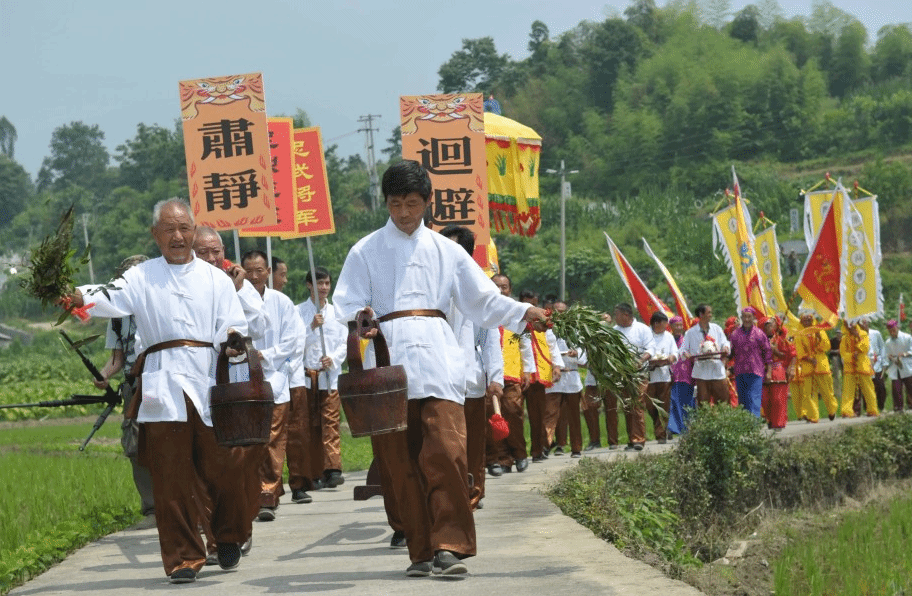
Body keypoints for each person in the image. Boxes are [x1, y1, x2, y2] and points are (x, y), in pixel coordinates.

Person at [332, 160, 549, 577]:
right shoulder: (365, 250)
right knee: (400, 464)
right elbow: (344, 303)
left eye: (413, 203)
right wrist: (359, 319)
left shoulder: (448, 251)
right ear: (387, 204)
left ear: (428, 202)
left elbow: (483, 300)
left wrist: (525, 312)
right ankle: (420, 550)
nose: (404, 213)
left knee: (447, 453)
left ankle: (451, 544)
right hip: (387, 365)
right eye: (396, 204)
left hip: (438, 363)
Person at [70, 198, 251, 583]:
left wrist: (234, 339)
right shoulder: (141, 277)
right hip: (161, 383)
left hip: (207, 381)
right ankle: (184, 558)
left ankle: (228, 535)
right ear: (155, 235)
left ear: (194, 230)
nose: (178, 236)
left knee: (226, 466)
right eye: (168, 229)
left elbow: (232, 323)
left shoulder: (215, 278)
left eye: (184, 228)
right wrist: (76, 297)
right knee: (169, 478)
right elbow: (106, 295)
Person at [240, 250, 307, 522]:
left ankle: (267, 493)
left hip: (275, 377)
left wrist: (266, 355)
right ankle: (257, 491)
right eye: (249, 271)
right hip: (242, 380)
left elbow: (293, 340)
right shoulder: (235, 299)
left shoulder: (282, 302)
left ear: (268, 271)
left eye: (259, 270)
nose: (254, 276)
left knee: (273, 438)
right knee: (251, 440)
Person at [441, 224, 505, 509]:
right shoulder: (433, 285)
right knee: (444, 442)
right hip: (438, 378)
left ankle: (474, 491)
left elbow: (491, 338)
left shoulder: (483, 287)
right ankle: (449, 491)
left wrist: (496, 377)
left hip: (471, 378)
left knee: (473, 442)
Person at [92, 255, 154, 524]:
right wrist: (103, 375)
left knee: (174, 441)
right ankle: (152, 507)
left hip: (161, 380)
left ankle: (181, 503)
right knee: (136, 446)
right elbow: (117, 359)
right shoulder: (116, 317)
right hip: (133, 386)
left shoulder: (158, 306)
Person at [297, 266, 348, 490]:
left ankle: (333, 468)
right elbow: (295, 343)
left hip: (329, 377)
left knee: (330, 422)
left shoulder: (337, 313)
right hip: (307, 376)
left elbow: (344, 343)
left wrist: (334, 359)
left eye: (327, 283)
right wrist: (311, 328)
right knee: (310, 424)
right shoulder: (298, 312)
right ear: (309, 285)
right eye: (319, 283)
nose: (324, 288)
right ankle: (314, 471)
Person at [486, 273, 534, 474]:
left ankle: (520, 455)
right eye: (496, 286)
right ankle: (498, 460)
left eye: (504, 287)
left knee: (513, 413)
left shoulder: (515, 312)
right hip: (487, 375)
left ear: (510, 290)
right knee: (491, 416)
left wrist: (528, 370)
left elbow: (525, 343)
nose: (500, 290)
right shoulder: (484, 310)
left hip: (512, 371)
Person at [518, 290, 564, 461]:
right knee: (515, 414)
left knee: (538, 416)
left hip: (538, 374)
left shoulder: (544, 321)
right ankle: (516, 453)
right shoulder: (515, 319)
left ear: (536, 302)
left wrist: (557, 366)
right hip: (516, 372)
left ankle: (538, 449)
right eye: (526, 303)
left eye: (532, 303)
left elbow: (552, 345)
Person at [610, 303, 654, 451]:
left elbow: (650, 348)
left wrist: (639, 361)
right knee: (627, 406)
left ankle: (639, 439)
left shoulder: (642, 329)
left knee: (637, 403)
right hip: (623, 374)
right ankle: (631, 438)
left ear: (625, 315)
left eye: (616, 314)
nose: (615, 318)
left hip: (639, 374)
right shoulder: (614, 331)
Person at [546, 301, 585, 457]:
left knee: (573, 414)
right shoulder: (547, 330)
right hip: (554, 375)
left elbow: (584, 351)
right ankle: (549, 445)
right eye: (557, 312)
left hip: (572, 374)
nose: (560, 315)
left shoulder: (576, 331)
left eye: (563, 312)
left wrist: (577, 353)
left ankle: (576, 447)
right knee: (551, 413)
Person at [681, 303, 731, 406]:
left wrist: (726, 348)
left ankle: (723, 422)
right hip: (701, 371)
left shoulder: (716, 328)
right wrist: (686, 354)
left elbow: (725, 342)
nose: (711, 315)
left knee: (723, 401)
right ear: (701, 314)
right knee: (703, 403)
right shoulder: (690, 333)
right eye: (709, 312)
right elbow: (683, 349)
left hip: (717, 369)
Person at [728, 307, 772, 418]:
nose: (747, 319)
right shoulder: (735, 335)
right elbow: (730, 353)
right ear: (741, 318)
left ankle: (754, 425)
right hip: (740, 371)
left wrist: (769, 371)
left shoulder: (760, 334)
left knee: (754, 397)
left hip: (756, 371)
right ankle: (746, 425)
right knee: (743, 399)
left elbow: (767, 353)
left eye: (749, 317)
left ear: (754, 318)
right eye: (744, 317)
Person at [794, 311, 837, 422]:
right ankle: (813, 416)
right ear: (801, 321)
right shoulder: (799, 335)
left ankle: (831, 410)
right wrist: (809, 359)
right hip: (807, 366)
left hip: (821, 364)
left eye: (809, 319)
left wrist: (819, 336)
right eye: (805, 320)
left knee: (826, 391)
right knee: (808, 393)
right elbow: (799, 352)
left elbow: (827, 346)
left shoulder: (820, 330)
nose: (807, 322)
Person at [645, 311, 678, 443]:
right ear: (656, 323)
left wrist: (672, 357)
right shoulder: (646, 336)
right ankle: (662, 428)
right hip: (649, 376)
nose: (666, 326)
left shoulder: (668, 336)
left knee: (664, 405)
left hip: (664, 375)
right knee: (650, 406)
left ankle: (661, 434)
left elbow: (675, 351)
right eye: (665, 323)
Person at [839, 321, 878, 417]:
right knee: (848, 390)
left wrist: (858, 339)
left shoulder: (863, 334)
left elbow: (865, 347)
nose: (849, 326)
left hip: (862, 365)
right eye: (847, 324)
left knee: (868, 388)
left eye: (851, 323)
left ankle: (872, 410)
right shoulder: (844, 338)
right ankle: (846, 411)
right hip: (849, 366)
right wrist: (852, 355)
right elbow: (843, 353)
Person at [762, 316, 794, 430]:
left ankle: (779, 422)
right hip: (763, 371)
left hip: (777, 369)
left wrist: (774, 350)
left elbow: (787, 355)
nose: (768, 326)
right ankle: (770, 419)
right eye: (766, 324)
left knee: (777, 399)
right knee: (764, 399)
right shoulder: (761, 339)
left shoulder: (781, 339)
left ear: (776, 325)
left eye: (770, 324)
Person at [667, 316, 695, 436]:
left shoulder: (687, 340)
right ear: (671, 327)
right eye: (676, 325)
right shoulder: (668, 340)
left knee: (687, 402)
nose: (679, 328)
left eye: (680, 325)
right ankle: (673, 428)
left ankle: (688, 428)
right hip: (672, 376)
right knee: (674, 402)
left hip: (687, 376)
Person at [858, 318, 886, 414]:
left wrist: (883, 361)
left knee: (880, 385)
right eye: (862, 324)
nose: (864, 325)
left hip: (876, 363)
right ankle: (868, 408)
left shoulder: (876, 333)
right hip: (865, 364)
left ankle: (881, 406)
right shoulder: (857, 335)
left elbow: (882, 347)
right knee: (867, 387)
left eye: (866, 323)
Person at [884, 319, 912, 411]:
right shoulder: (888, 342)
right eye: (890, 331)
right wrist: (889, 356)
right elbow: (886, 354)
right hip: (895, 366)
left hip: (907, 365)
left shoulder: (907, 337)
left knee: (910, 386)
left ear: (897, 328)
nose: (892, 333)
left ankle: (910, 405)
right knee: (896, 388)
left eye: (894, 330)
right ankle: (898, 407)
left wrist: (904, 354)